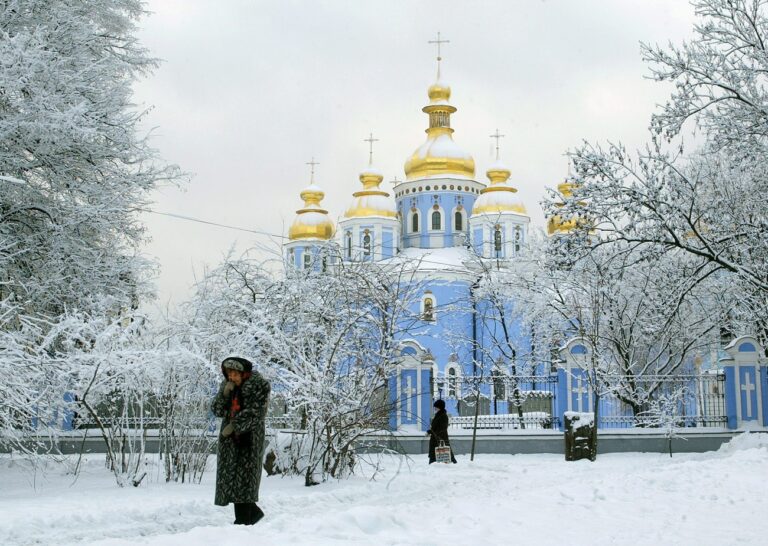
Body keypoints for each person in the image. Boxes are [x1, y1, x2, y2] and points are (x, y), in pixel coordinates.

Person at [211, 356, 271, 525]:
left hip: (249, 437)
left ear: (243, 373)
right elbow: (217, 409)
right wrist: (224, 394)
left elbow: (256, 412)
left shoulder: (258, 385)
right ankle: (249, 517)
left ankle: (244, 520)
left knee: (245, 480)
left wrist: (235, 425)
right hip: (229, 440)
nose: (231, 378)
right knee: (233, 478)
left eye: (235, 374)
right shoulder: (228, 386)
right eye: (229, 374)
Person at [427, 399, 457, 464]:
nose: (435, 408)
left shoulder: (443, 416)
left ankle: (453, 464)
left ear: (440, 407)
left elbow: (442, 428)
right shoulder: (437, 415)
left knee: (445, 451)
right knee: (434, 453)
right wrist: (430, 431)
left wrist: (432, 432)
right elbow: (435, 427)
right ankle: (433, 465)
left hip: (441, 438)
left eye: (436, 407)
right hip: (435, 438)